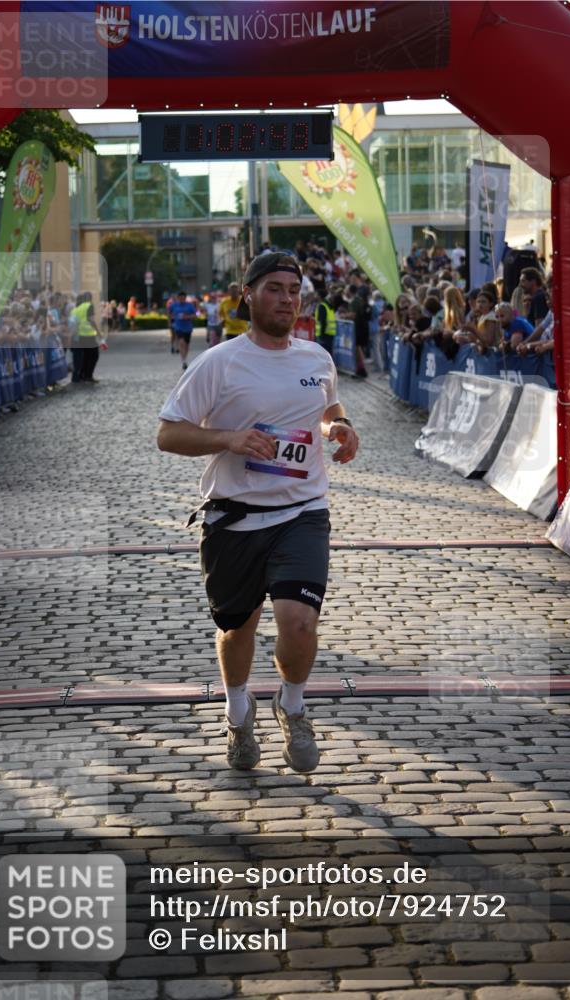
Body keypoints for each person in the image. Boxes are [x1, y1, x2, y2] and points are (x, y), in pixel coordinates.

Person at [157, 252, 359, 773]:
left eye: (294, 289)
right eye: (274, 288)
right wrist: (229, 439)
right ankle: (238, 711)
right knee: (237, 629)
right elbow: (168, 432)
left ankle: (293, 705)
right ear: (247, 293)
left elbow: (328, 408)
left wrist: (339, 427)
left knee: (297, 625)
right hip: (233, 517)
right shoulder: (219, 362)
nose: (287, 299)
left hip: (302, 512)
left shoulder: (316, 358)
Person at [169, 290, 197, 370]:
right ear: (178, 298)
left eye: (183, 298)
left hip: (188, 328)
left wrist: (187, 317)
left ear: (185, 298)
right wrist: (170, 322)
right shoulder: (174, 305)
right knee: (181, 342)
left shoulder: (189, 305)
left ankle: (185, 357)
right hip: (178, 327)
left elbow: (195, 315)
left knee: (187, 345)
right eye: (180, 298)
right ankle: (183, 361)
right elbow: (169, 313)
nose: (182, 299)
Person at [315, 287, 337, 356]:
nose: (315, 296)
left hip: (323, 334)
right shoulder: (328, 304)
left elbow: (322, 321)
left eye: (316, 294)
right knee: (328, 354)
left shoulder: (322, 306)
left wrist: (321, 336)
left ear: (319, 296)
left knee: (323, 355)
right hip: (329, 333)